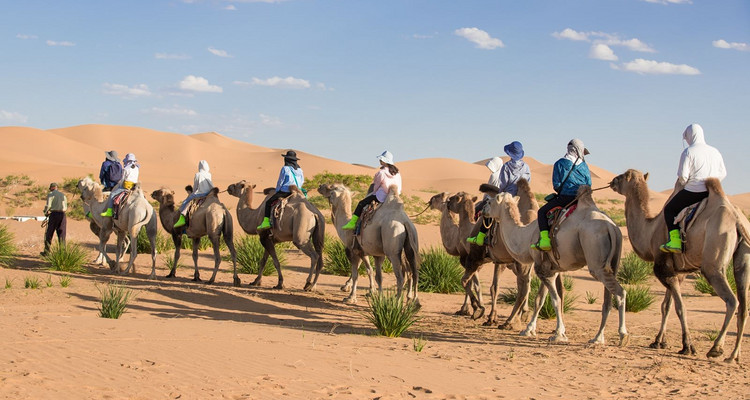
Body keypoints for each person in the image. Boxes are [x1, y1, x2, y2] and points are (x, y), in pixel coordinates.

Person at [660, 123, 726, 253]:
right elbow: (723, 173)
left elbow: (683, 177)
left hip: (694, 191)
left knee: (669, 209)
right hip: (712, 193)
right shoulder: (715, 151)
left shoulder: (688, 152)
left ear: (690, 136)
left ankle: (675, 242)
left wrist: (689, 182)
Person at [531, 139, 591, 251]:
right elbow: (589, 184)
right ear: (579, 150)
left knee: (542, 212)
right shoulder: (584, 166)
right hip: (583, 199)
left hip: (566, 199)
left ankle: (544, 241)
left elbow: (557, 185)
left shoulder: (559, 163)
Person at [468, 141, 531, 246]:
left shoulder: (506, 166)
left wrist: (501, 193)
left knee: (488, 210)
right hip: (520, 196)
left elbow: (503, 184)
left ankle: (481, 236)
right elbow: (527, 181)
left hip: (507, 196)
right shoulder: (526, 167)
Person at [342, 150, 402, 230]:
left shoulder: (381, 173)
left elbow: (376, 186)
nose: (380, 160)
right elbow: (399, 187)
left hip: (381, 197)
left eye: (381, 159)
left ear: (384, 161)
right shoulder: (397, 173)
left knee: (361, 203)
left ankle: (352, 223)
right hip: (394, 196)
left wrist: (374, 192)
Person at [257, 151, 304, 230]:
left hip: (285, 191)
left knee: (268, 203)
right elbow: (302, 181)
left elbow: (280, 181)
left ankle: (266, 222)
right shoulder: (300, 170)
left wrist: (277, 191)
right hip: (297, 191)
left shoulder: (285, 168)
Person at [174, 160, 214, 228]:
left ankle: (182, 217)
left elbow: (195, 187)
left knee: (186, 202)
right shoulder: (209, 174)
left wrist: (193, 193)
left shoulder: (197, 174)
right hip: (209, 194)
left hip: (199, 194)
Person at [100, 153, 139, 217]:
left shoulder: (126, 169)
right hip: (134, 186)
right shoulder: (137, 168)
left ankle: (109, 211)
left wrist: (119, 186)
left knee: (112, 195)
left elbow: (122, 180)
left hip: (126, 186)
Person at [41, 182, 67, 256]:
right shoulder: (63, 195)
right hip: (62, 215)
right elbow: (65, 207)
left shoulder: (51, 194)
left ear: (52, 188)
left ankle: (46, 252)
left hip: (54, 214)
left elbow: (48, 205)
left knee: (49, 233)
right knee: (62, 234)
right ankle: (62, 253)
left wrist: (45, 212)